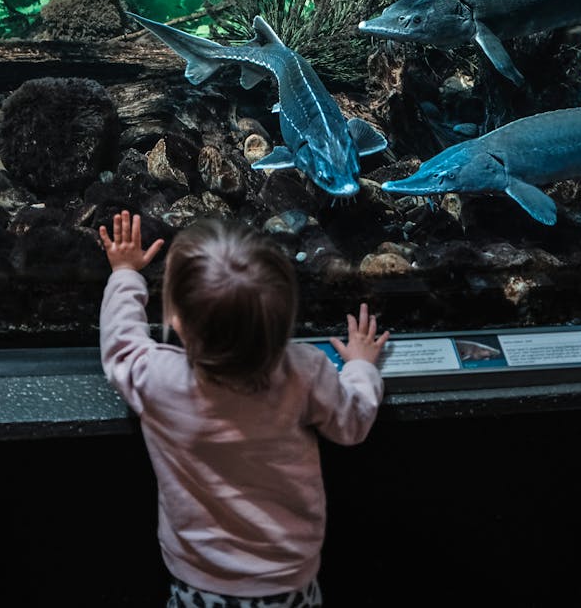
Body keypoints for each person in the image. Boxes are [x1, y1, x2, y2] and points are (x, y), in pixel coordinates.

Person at [99, 209, 389, 608]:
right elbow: (353, 422)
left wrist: (125, 274)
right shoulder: (302, 370)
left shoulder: (159, 378)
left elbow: (120, 344)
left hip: (198, 583)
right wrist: (359, 366)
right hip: (289, 582)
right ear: (286, 317)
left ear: (178, 320)